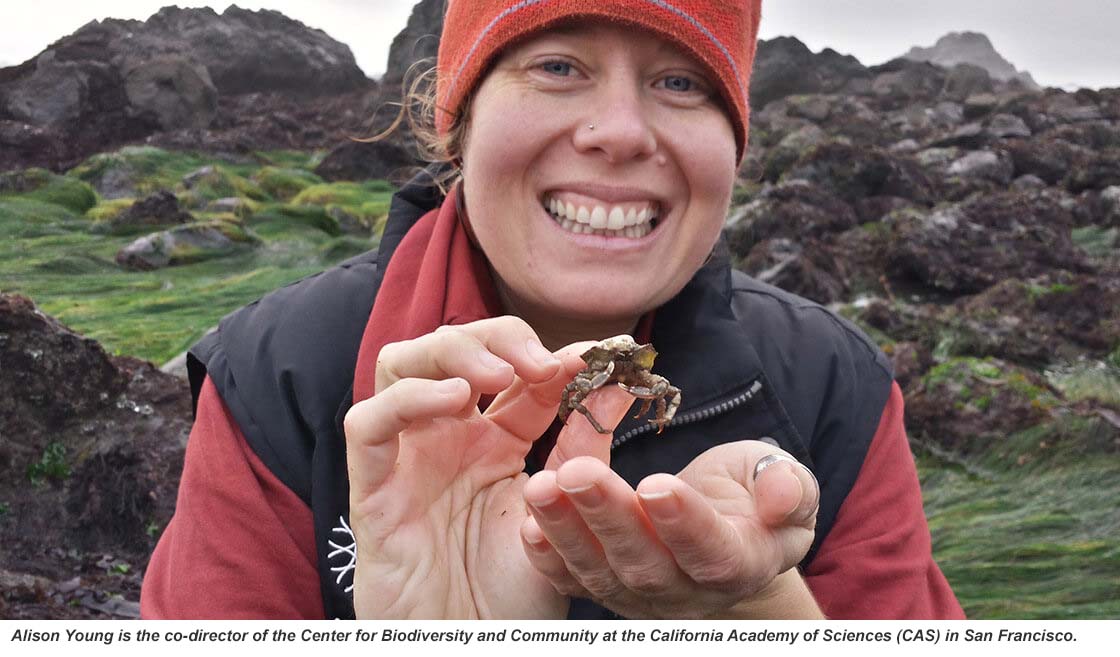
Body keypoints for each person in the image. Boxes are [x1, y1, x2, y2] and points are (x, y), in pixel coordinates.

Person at [141, 0, 964, 620]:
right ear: (458, 120)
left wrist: (753, 605)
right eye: (558, 66)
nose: (618, 132)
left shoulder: (833, 385)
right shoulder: (278, 375)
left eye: (681, 80)